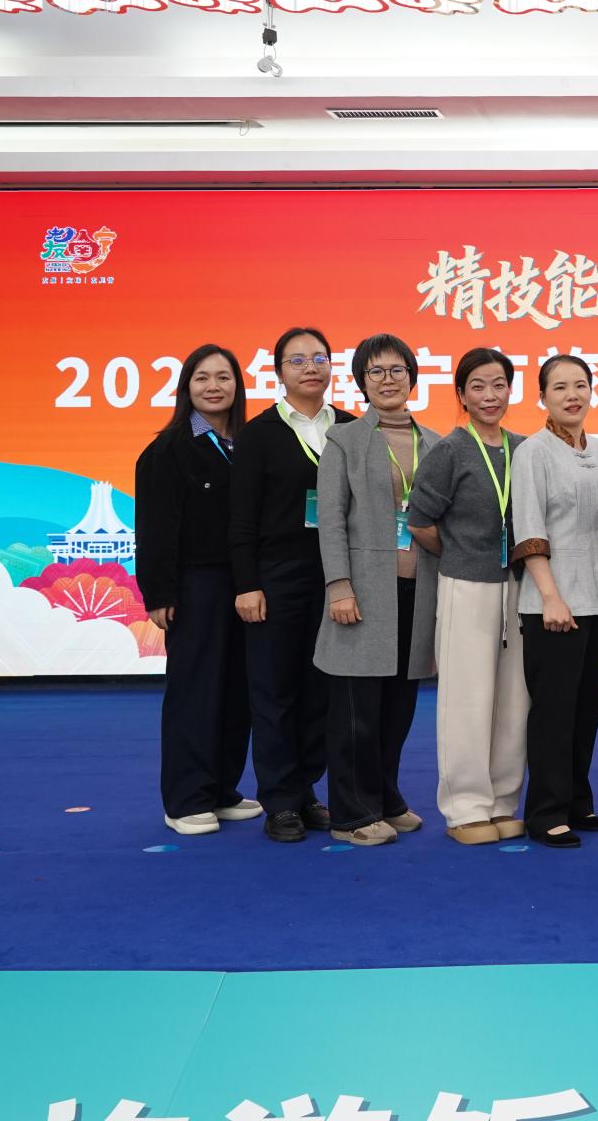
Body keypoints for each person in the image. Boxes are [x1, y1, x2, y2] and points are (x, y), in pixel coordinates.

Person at [311, 334, 441, 847]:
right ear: (362, 382)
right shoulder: (344, 440)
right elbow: (330, 520)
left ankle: (385, 798)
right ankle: (351, 814)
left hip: (418, 590)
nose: (388, 380)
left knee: (396, 710)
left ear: (412, 376)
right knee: (356, 712)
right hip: (362, 593)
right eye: (376, 372)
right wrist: (339, 586)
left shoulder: (436, 442)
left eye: (397, 370)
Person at [229, 326, 352, 842]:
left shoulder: (351, 427)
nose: (310, 368)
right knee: (274, 689)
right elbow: (241, 517)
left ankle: (305, 791)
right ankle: (279, 800)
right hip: (277, 576)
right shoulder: (258, 434)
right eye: (297, 360)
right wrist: (247, 584)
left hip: (338, 575)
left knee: (320, 689)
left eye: (319, 358)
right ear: (279, 371)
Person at [133, 342, 259, 836]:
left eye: (223, 377)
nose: (214, 386)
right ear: (186, 387)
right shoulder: (167, 450)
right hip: (195, 586)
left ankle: (222, 790)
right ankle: (185, 800)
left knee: (236, 691)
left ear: (237, 386)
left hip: (245, 585)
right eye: (202, 378)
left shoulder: (247, 444)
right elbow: (155, 529)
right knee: (195, 691)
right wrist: (160, 594)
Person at [406, 348, 530, 847]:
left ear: (510, 390)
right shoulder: (450, 450)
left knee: (514, 701)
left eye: (498, 384)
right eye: (477, 386)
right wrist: (459, 553)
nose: (489, 395)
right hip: (466, 586)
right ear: (461, 394)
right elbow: (419, 521)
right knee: (468, 699)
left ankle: (502, 803)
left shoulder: (524, 448)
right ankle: (466, 808)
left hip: (517, 587)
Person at [509, 355, 598, 849]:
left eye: (580, 385)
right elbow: (528, 529)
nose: (572, 395)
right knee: (553, 712)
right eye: (559, 387)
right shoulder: (532, 452)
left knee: (586, 709)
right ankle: (545, 812)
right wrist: (550, 597)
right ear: (542, 397)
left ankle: (578, 802)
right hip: (553, 604)